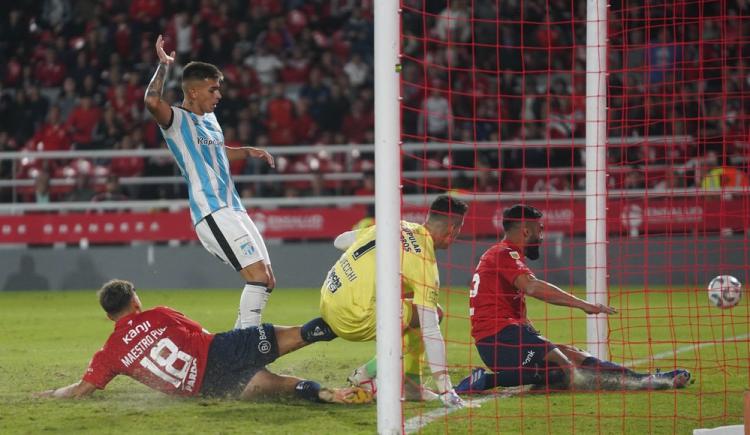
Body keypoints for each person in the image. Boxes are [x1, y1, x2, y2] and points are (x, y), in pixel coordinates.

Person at [455, 204, 692, 394]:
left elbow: (506, 299)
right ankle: (485, 381)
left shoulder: (503, 255)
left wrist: (528, 327)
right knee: (563, 368)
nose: (542, 234)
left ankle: (645, 380)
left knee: (573, 356)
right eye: (540, 229)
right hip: (498, 340)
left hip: (508, 335)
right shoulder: (503, 253)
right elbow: (532, 287)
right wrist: (584, 305)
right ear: (526, 231)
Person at [37, 279, 371, 404]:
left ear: (110, 317)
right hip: (222, 349)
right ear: (135, 302)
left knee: (284, 386)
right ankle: (365, 315)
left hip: (211, 387)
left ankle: (329, 394)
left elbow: (82, 390)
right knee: (299, 335)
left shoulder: (110, 354)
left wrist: (50, 394)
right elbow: (200, 332)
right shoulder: (159, 314)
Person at [144, 35, 276, 329]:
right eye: (213, 89)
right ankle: (246, 355)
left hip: (233, 207)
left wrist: (245, 152)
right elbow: (152, 100)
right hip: (211, 210)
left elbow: (216, 152)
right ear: (192, 91)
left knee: (267, 280)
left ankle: (240, 349)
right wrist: (164, 65)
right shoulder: (176, 121)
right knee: (256, 277)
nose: (219, 95)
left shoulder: (212, 121)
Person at [308, 195, 472, 408]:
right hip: (354, 319)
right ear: (453, 230)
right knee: (431, 313)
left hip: (327, 301)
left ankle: (411, 386)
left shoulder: (396, 226)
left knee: (407, 301)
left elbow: (340, 241)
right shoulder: (424, 263)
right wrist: (447, 390)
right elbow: (431, 330)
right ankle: (369, 374)